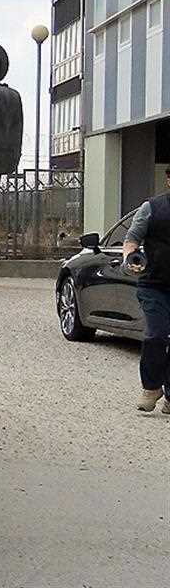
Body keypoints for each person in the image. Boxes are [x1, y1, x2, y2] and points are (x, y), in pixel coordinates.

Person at [124, 166, 170, 413]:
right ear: (169, 180)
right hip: (154, 285)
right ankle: (151, 387)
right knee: (156, 335)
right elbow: (132, 239)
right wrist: (131, 258)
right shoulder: (151, 208)